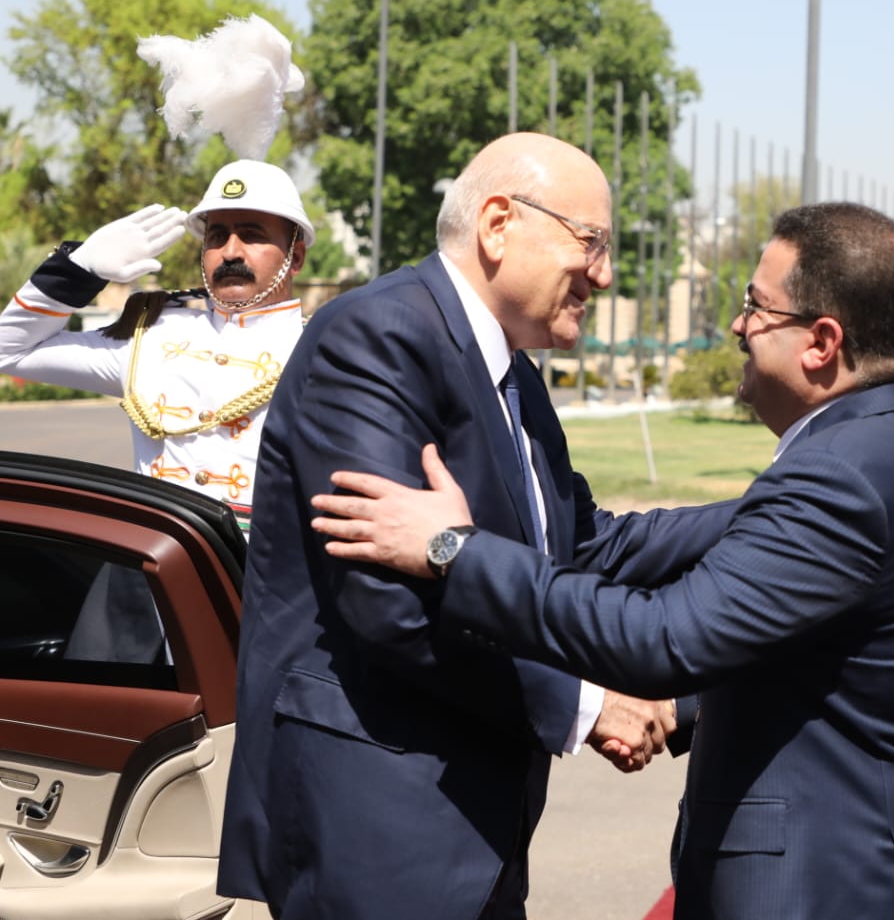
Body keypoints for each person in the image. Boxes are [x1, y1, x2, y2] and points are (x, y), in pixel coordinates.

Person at [311, 202, 894, 919]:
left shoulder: (841, 477)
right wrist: (677, 710)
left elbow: (659, 638)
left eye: (757, 307)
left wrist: (452, 550)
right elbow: (816, 664)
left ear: (821, 342)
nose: (738, 325)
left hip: (841, 890)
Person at [218, 132, 736, 920]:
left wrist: (781, 507)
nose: (603, 274)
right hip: (378, 830)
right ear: (498, 224)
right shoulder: (378, 336)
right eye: (591, 242)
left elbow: (585, 547)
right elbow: (388, 604)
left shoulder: (512, 375)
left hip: (474, 833)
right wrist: (588, 706)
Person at [0, 158, 312, 537]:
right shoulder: (150, 335)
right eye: (216, 236)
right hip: (151, 561)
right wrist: (79, 269)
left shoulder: (321, 349)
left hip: (263, 566)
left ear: (295, 257)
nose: (230, 251)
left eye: (251, 235)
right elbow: (8, 350)